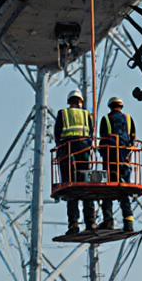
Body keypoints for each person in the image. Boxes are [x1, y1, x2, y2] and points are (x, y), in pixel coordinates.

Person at [54, 89, 96, 236]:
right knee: (86, 185)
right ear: (81, 101)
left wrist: (60, 150)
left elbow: (58, 134)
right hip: (83, 150)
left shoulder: (63, 114)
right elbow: (91, 132)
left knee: (70, 186)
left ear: (69, 101)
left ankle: (74, 224)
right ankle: (91, 222)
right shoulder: (86, 115)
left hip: (67, 151)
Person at [98, 96, 136, 233]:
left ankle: (108, 220)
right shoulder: (128, 119)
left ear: (110, 106)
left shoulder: (106, 119)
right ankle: (128, 223)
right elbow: (132, 138)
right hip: (124, 159)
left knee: (108, 189)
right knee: (123, 190)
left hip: (110, 159)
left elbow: (102, 139)